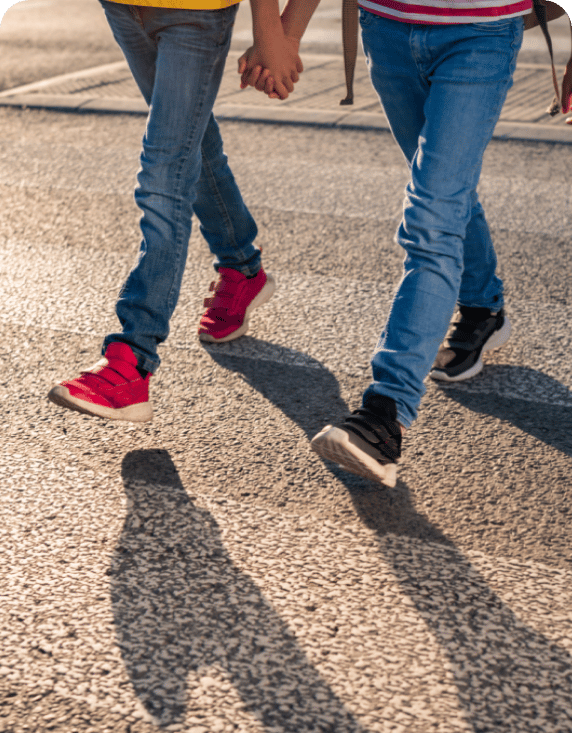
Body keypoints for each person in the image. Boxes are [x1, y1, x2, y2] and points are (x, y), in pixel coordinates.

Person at [242, 0, 537, 489]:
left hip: (480, 34)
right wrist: (285, 32)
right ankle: (484, 307)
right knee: (441, 191)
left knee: (432, 216)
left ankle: (384, 415)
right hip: (387, 28)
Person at [48, 0, 303, 422]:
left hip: (196, 11)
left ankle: (132, 359)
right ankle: (242, 269)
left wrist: (272, 32)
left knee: (164, 172)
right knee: (191, 142)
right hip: (121, 6)